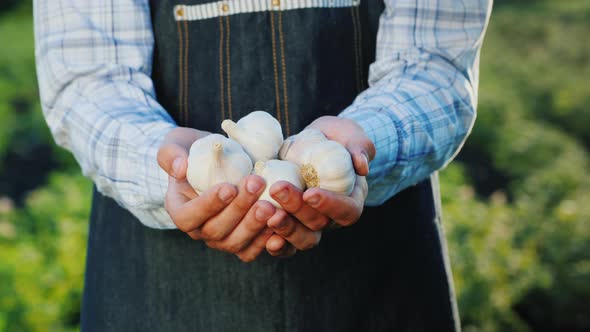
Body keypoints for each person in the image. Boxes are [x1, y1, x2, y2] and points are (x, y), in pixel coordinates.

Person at [33, 0, 493, 331]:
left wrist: (364, 146)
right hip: (155, 283)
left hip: (380, 280)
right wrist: (175, 167)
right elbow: (88, 81)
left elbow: (436, 64)